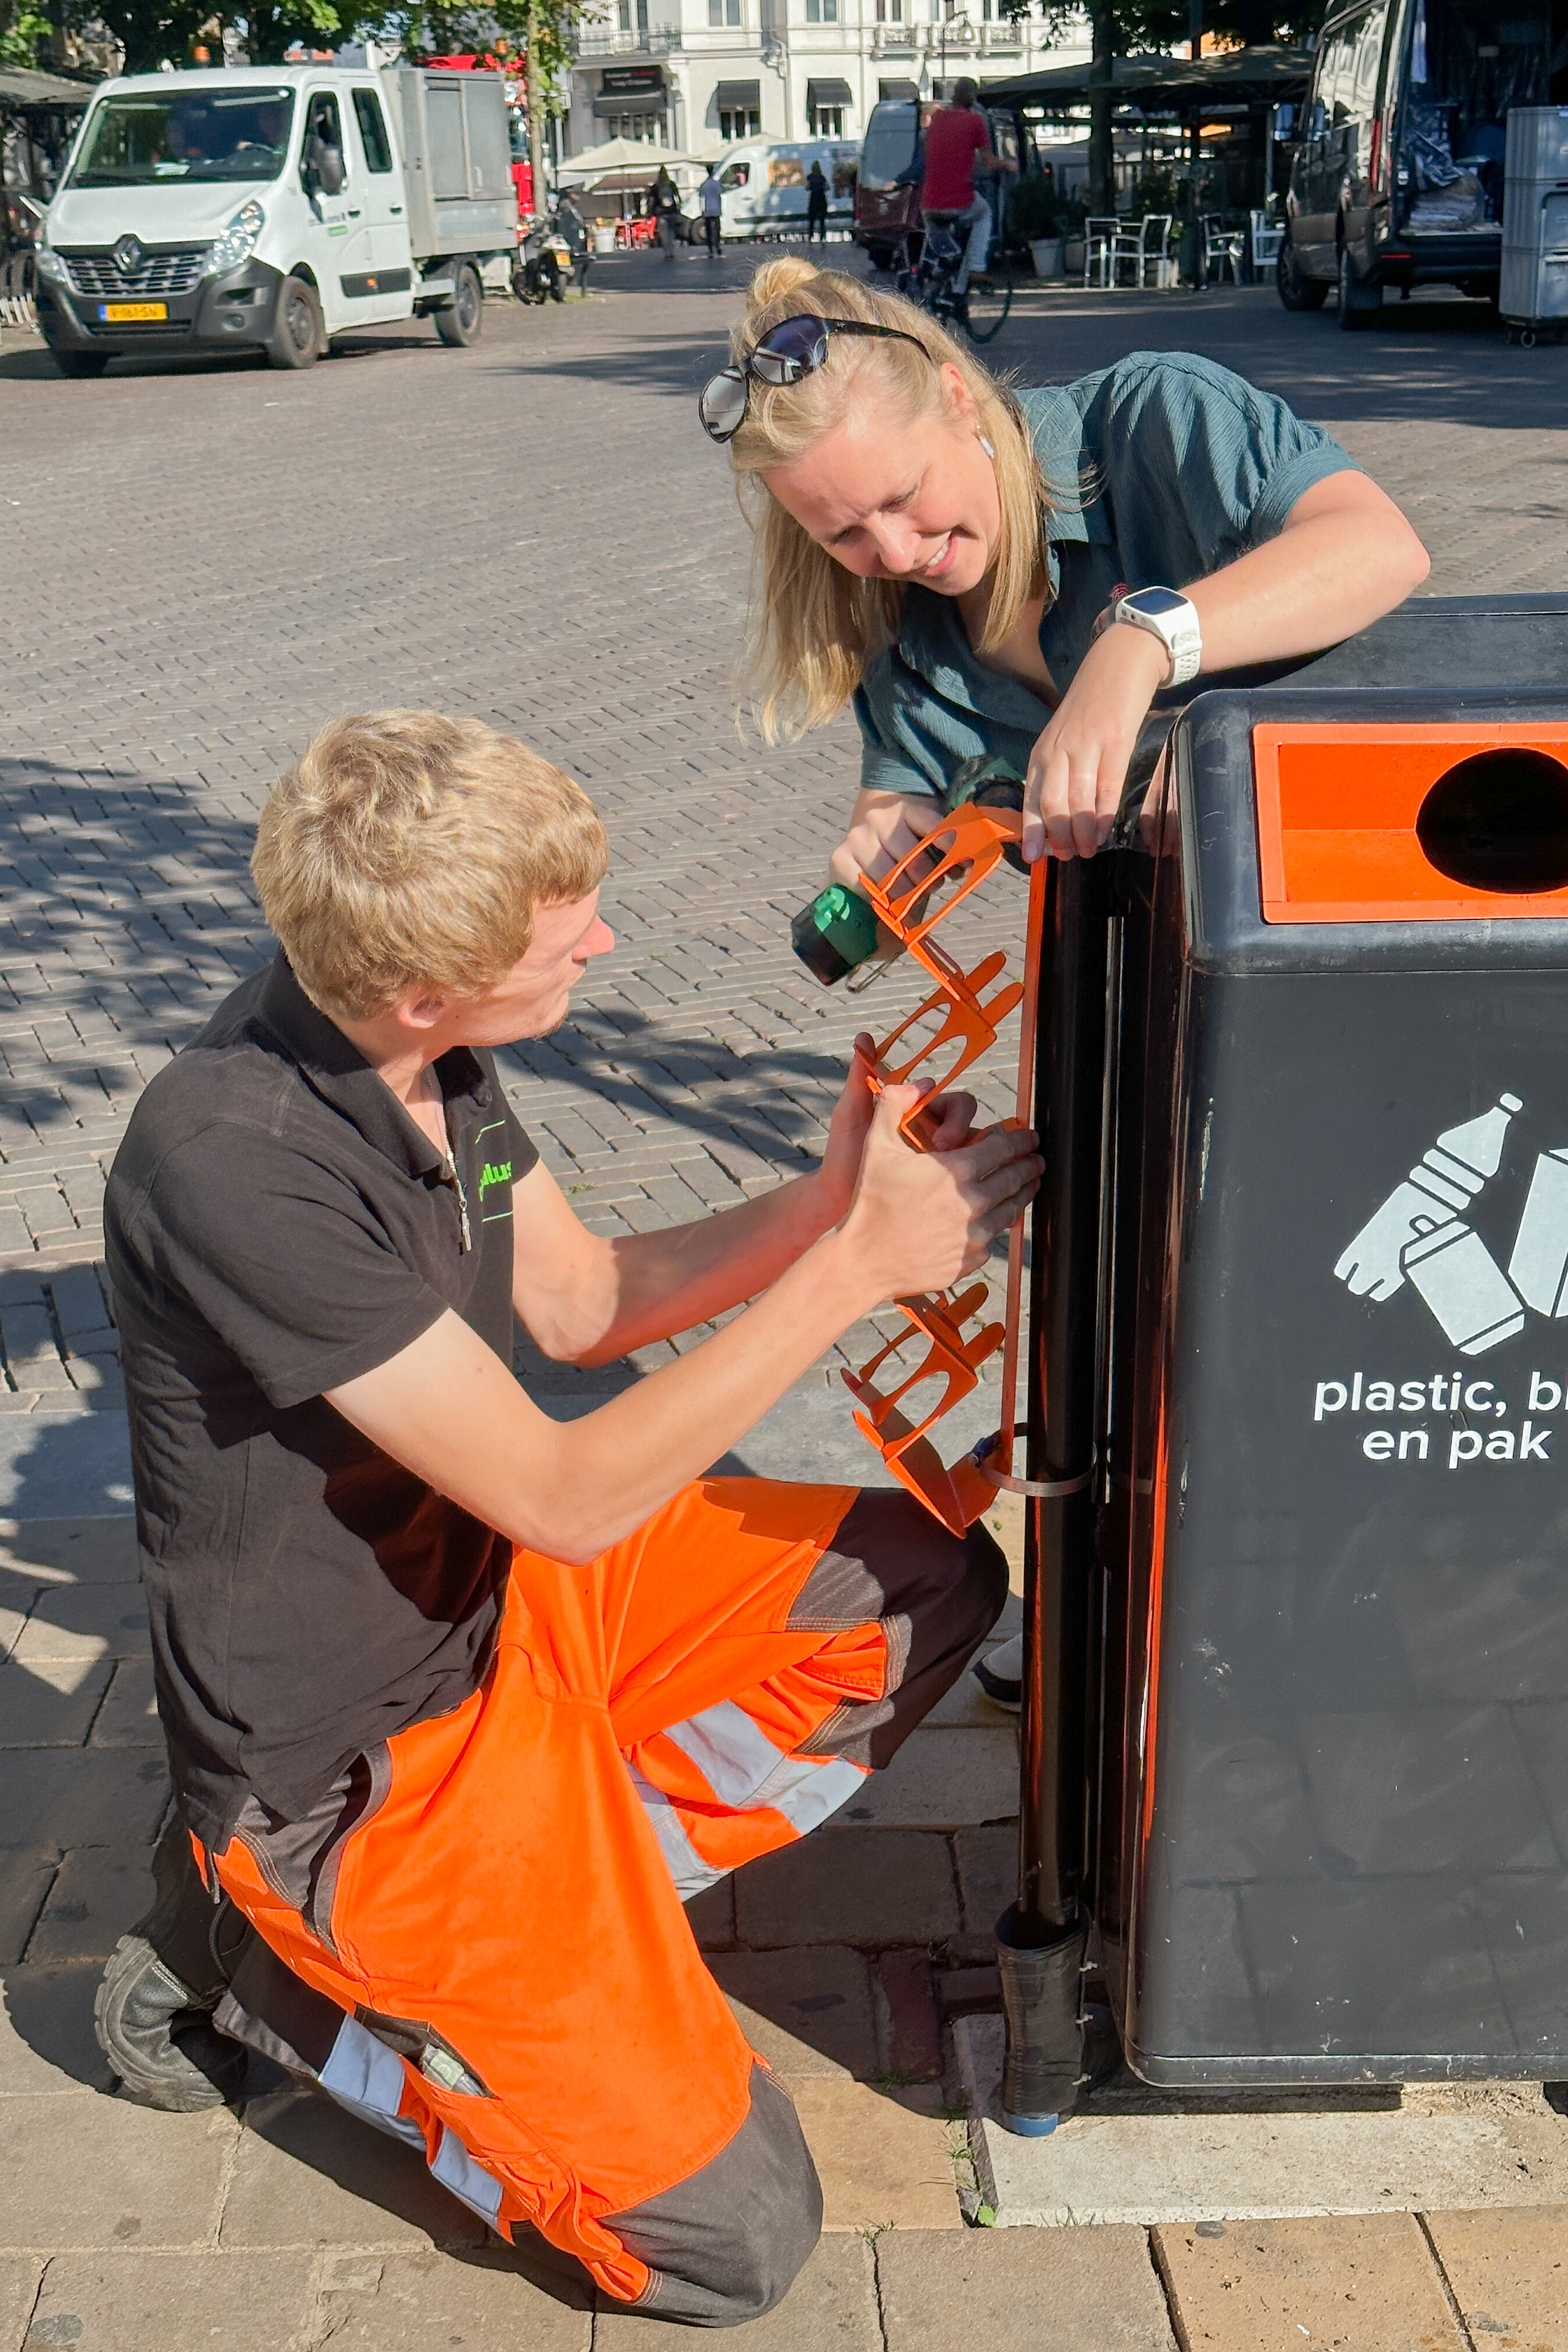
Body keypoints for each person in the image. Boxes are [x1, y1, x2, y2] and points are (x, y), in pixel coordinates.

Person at [94, 711, 1035, 2323]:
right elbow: (566, 1489)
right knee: (731, 2243)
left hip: (509, 1622)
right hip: (355, 1771)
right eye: (563, 938)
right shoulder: (234, 1168)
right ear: (421, 987)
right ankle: (281, 1983)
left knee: (920, 1583)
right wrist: (856, 1268)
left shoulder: (422, 1058)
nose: (605, 939)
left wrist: (824, 1198)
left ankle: (574, 1900)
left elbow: (591, 1302)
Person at [699, 256, 1431, 1702]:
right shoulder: (908, 642)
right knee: (1102, 1297)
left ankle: (1333, 1623)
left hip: (1338, 985)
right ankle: (1111, 1609)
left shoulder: (1153, 423)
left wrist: (1142, 643)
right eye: (844, 535)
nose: (899, 549)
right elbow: (914, 796)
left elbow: (1379, 548)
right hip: (1134, 1015)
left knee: (1326, 1312)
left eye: (907, 498)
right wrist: (882, 829)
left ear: (966, 402)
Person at [918, 78, 1005, 309]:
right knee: (984, 214)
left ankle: (940, 277)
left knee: (945, 244)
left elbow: (930, 151)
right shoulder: (975, 121)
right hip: (959, 199)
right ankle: (972, 271)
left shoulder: (937, 120)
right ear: (973, 99)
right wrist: (1010, 165)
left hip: (929, 203)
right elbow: (989, 161)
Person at [557, 184, 590, 293]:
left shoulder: (569, 206)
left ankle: (570, 278)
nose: (579, 197)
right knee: (572, 256)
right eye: (576, 194)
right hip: (569, 236)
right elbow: (571, 220)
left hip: (573, 234)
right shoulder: (566, 206)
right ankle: (569, 279)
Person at [650, 162, 681, 256]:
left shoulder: (656, 187)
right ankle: (671, 250)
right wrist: (679, 209)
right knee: (671, 232)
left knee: (664, 233)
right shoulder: (671, 184)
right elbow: (678, 198)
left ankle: (667, 251)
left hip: (661, 213)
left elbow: (651, 201)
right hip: (672, 212)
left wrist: (651, 212)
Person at [699, 160, 723, 258]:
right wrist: (720, 208)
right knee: (717, 229)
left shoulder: (704, 185)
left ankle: (711, 248)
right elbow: (719, 196)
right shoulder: (717, 184)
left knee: (709, 230)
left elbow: (701, 198)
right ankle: (718, 246)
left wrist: (702, 210)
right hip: (716, 208)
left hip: (708, 209)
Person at [805, 158, 829, 244]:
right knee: (822, 219)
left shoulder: (810, 177)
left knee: (812, 219)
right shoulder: (822, 177)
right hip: (821, 198)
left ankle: (811, 236)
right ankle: (822, 237)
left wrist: (812, 187)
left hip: (813, 198)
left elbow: (807, 187)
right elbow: (828, 187)